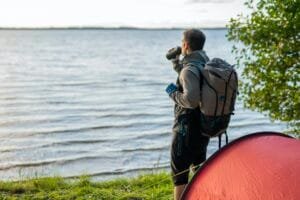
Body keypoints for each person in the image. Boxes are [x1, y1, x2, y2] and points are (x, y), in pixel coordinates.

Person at [165, 29, 210, 200]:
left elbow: (190, 100)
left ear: (185, 45)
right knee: (197, 167)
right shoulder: (205, 63)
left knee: (179, 174)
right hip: (202, 126)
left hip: (185, 127)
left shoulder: (189, 69)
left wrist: (172, 93)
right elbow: (191, 77)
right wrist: (176, 63)